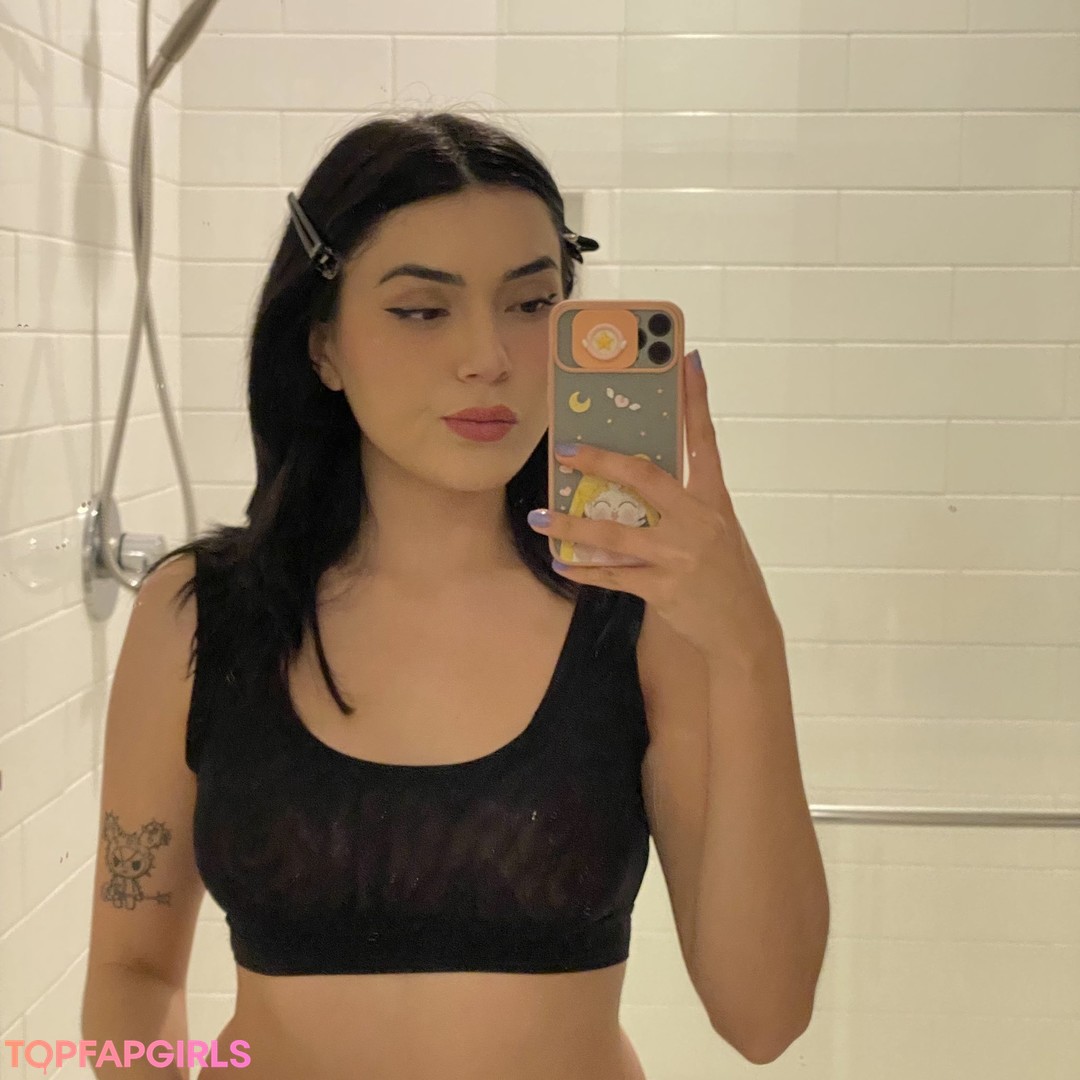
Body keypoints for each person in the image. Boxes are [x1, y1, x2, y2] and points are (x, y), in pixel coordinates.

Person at [81, 109, 681, 1080]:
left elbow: (764, 1002)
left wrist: (741, 630)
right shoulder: (199, 615)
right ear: (322, 345)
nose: (488, 356)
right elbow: (132, 968)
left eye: (532, 303)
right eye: (421, 310)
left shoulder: (635, 612)